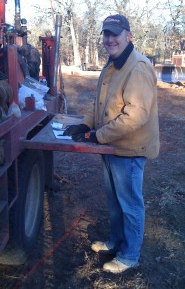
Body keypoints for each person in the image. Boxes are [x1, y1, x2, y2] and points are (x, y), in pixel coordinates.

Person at [63, 14, 160, 274]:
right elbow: (101, 105)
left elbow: (136, 116)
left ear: (128, 36)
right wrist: (86, 124)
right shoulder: (112, 65)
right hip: (112, 147)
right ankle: (116, 241)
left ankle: (130, 256)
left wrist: (98, 135)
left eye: (115, 34)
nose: (109, 39)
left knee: (129, 204)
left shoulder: (137, 67)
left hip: (129, 149)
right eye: (106, 34)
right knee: (115, 200)